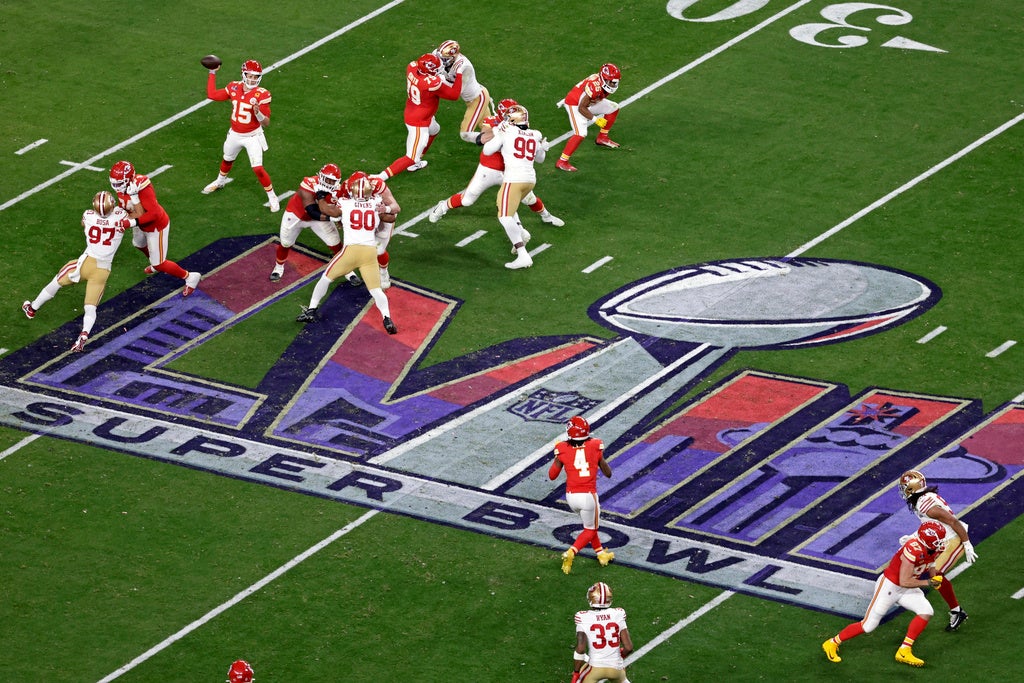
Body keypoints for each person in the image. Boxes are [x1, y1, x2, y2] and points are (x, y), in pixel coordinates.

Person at [822, 520, 948, 668]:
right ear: (927, 541)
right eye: (938, 541)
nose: (942, 543)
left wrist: (934, 576)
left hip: (908, 586)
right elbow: (904, 581)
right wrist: (929, 582)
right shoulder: (913, 550)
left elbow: (931, 561)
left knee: (926, 611)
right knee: (868, 625)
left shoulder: (934, 548)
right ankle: (832, 642)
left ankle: (904, 650)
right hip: (890, 587)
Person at [428, 97, 564, 229]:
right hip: (489, 168)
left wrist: (539, 147)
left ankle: (546, 216)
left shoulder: (517, 126)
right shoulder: (492, 122)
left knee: (529, 198)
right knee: (467, 200)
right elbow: (482, 140)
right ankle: (442, 206)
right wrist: (498, 131)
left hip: (510, 171)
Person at [22, 191, 132, 353]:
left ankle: (32, 308)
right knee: (90, 307)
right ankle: (83, 335)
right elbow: (130, 217)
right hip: (103, 269)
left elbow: (84, 223)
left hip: (86, 264)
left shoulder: (88, 216)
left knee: (57, 281)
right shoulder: (120, 216)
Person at [296, 173, 397, 335]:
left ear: (353, 191)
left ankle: (311, 310)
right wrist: (383, 210)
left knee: (326, 278)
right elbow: (391, 218)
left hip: (351, 252)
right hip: (369, 253)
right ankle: (387, 318)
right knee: (376, 290)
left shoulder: (345, 203)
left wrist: (321, 197)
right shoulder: (375, 203)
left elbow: (328, 210)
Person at [898, 469, 978, 631]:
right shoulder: (922, 499)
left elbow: (952, 521)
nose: (903, 490)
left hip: (952, 538)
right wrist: (914, 536)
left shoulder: (924, 504)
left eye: (905, 487)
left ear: (912, 487)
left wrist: (967, 543)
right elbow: (931, 523)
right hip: (939, 537)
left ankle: (957, 612)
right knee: (909, 556)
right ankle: (903, 588)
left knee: (936, 574)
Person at [108, 161, 202, 296]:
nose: (116, 187)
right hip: (140, 222)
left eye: (119, 183)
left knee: (159, 263)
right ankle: (154, 262)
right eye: (114, 183)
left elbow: (154, 215)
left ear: (129, 179)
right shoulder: (125, 187)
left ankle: (190, 277)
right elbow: (126, 206)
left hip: (156, 226)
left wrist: (131, 222)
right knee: (138, 244)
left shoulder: (141, 187)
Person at [202, 59, 280, 212]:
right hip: (235, 133)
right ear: (244, 74)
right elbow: (212, 95)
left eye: (255, 76)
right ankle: (220, 181)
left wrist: (258, 113)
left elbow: (266, 123)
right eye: (250, 76)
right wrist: (212, 72)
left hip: (252, 136)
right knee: (227, 159)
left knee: (258, 168)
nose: (253, 79)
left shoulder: (262, 94)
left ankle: (272, 197)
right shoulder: (234, 87)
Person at [479, 104, 548, 269]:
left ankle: (523, 254)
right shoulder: (534, 134)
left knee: (504, 216)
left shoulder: (507, 131)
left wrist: (498, 133)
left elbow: (487, 150)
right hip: (530, 181)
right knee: (505, 209)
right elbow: (540, 159)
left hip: (514, 179)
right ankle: (521, 233)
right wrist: (543, 148)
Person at [376, 54, 463, 178]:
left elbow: (425, 68)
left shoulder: (412, 67)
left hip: (416, 110)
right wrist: (459, 73)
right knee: (411, 157)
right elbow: (454, 95)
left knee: (435, 130)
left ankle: (417, 161)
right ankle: (380, 177)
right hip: (418, 121)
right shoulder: (430, 84)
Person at [548, 415, 615, 574]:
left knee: (589, 525)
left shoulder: (561, 448)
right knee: (591, 529)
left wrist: (558, 457)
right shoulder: (596, 445)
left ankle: (600, 554)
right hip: (588, 496)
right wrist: (599, 457)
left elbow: (552, 475)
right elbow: (608, 473)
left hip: (571, 497)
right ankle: (571, 552)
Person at [270, 163, 344, 282]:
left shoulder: (338, 190)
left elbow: (339, 207)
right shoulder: (309, 183)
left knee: (335, 242)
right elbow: (311, 211)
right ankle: (278, 268)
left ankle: (348, 271)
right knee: (286, 243)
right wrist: (331, 218)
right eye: (327, 179)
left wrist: (340, 218)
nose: (329, 183)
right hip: (296, 215)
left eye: (332, 181)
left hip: (319, 218)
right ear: (321, 176)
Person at [556, 63, 622, 172]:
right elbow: (581, 108)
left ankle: (602, 137)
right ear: (603, 78)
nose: (613, 84)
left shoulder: (601, 83)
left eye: (615, 82)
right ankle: (562, 161)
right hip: (575, 104)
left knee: (614, 108)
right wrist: (595, 119)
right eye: (611, 82)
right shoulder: (595, 86)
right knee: (581, 133)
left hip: (589, 102)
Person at [570, 582, 634, 683]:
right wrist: (619, 656)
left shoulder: (583, 617)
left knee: (581, 675)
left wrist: (576, 672)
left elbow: (581, 649)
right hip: (616, 668)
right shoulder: (618, 614)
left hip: (595, 668)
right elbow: (629, 647)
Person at [433, 40, 491, 143]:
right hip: (472, 98)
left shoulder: (464, 67)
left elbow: (456, 91)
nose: (440, 61)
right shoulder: (437, 54)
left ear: (453, 57)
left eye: (444, 59)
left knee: (466, 134)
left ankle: (499, 144)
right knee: (490, 128)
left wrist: (437, 81)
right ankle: (505, 143)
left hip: (477, 99)